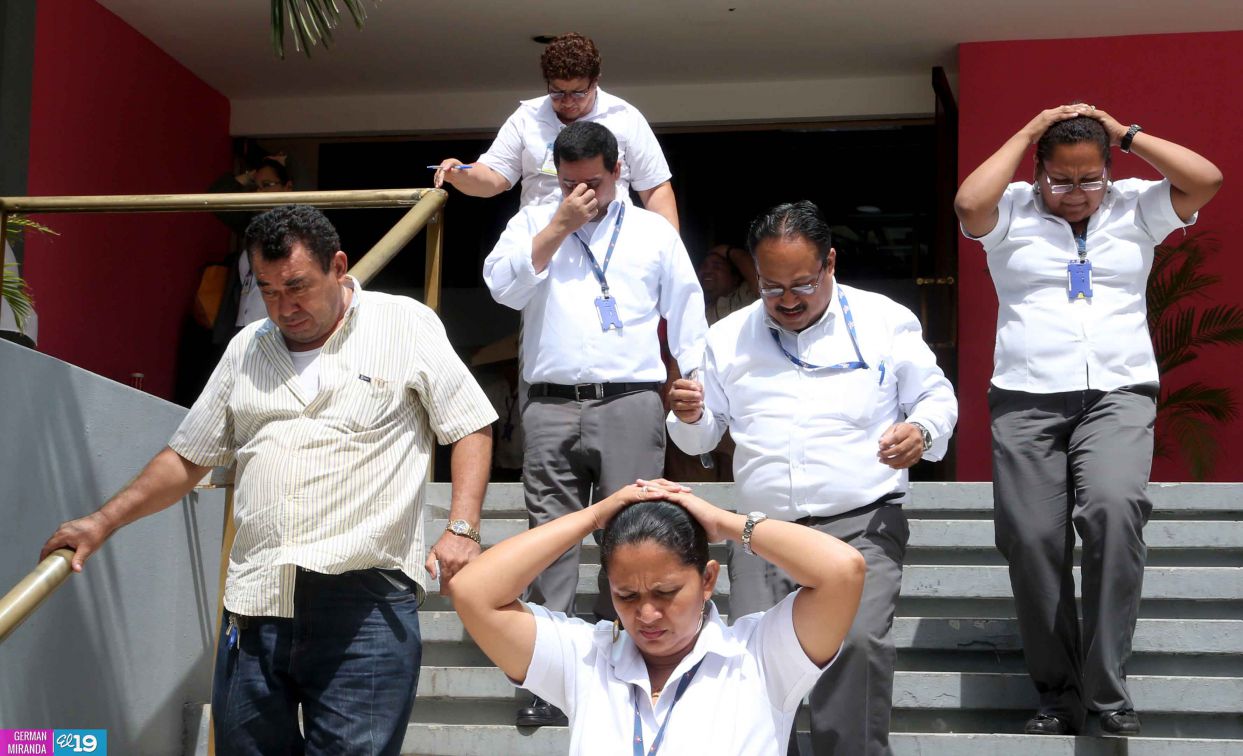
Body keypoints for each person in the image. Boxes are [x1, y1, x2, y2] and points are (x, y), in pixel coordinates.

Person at [40, 204, 497, 755]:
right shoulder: (247, 347)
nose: (285, 306)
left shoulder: (404, 324)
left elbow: (470, 423)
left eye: (298, 286)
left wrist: (463, 528)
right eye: (269, 290)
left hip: (364, 604)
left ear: (339, 266)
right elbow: (188, 457)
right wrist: (101, 522)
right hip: (257, 603)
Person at [954, 104, 1222, 737]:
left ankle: (1106, 694)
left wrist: (1123, 132)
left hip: (1118, 390)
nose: (1077, 194)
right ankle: (1056, 691)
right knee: (1031, 540)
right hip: (1024, 395)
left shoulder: (1136, 204)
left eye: (1090, 178)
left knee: (1113, 507)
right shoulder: (1012, 208)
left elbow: (1206, 179)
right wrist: (1025, 131)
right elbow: (969, 205)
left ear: (1108, 169)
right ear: (1039, 172)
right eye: (1061, 180)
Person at [667, 200, 958, 755]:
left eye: (801, 284)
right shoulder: (727, 337)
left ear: (830, 263)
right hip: (761, 531)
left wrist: (921, 429)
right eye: (772, 288)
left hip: (860, 523)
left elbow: (935, 396)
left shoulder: (883, 320)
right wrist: (688, 416)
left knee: (856, 646)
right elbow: (702, 436)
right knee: (757, 663)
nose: (788, 301)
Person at [483, 120, 707, 727]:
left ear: (618, 173)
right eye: (567, 182)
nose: (581, 193)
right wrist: (557, 228)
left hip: (629, 398)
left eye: (592, 182)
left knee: (634, 536)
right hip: (551, 401)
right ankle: (550, 684)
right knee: (549, 542)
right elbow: (500, 288)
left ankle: (638, 669)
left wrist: (693, 380)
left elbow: (686, 307)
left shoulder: (651, 232)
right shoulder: (536, 220)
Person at [451, 479, 867, 755]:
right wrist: (595, 517)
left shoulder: (759, 655)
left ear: (707, 580)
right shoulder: (585, 658)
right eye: (626, 595)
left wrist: (727, 523)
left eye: (666, 593)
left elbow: (842, 571)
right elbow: (473, 592)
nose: (647, 614)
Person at [434, 32, 678, 229]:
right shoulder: (527, 117)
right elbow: (493, 177)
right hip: (543, 236)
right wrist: (460, 174)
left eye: (579, 92)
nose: (568, 101)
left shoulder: (624, 117)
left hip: (610, 239)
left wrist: (670, 255)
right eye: (558, 92)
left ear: (596, 81)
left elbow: (655, 188)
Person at [700, 243, 758, 325]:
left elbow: (763, 283)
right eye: (703, 266)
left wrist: (729, 251)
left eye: (717, 266)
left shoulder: (744, 296)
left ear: (735, 279)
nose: (707, 271)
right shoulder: (692, 307)